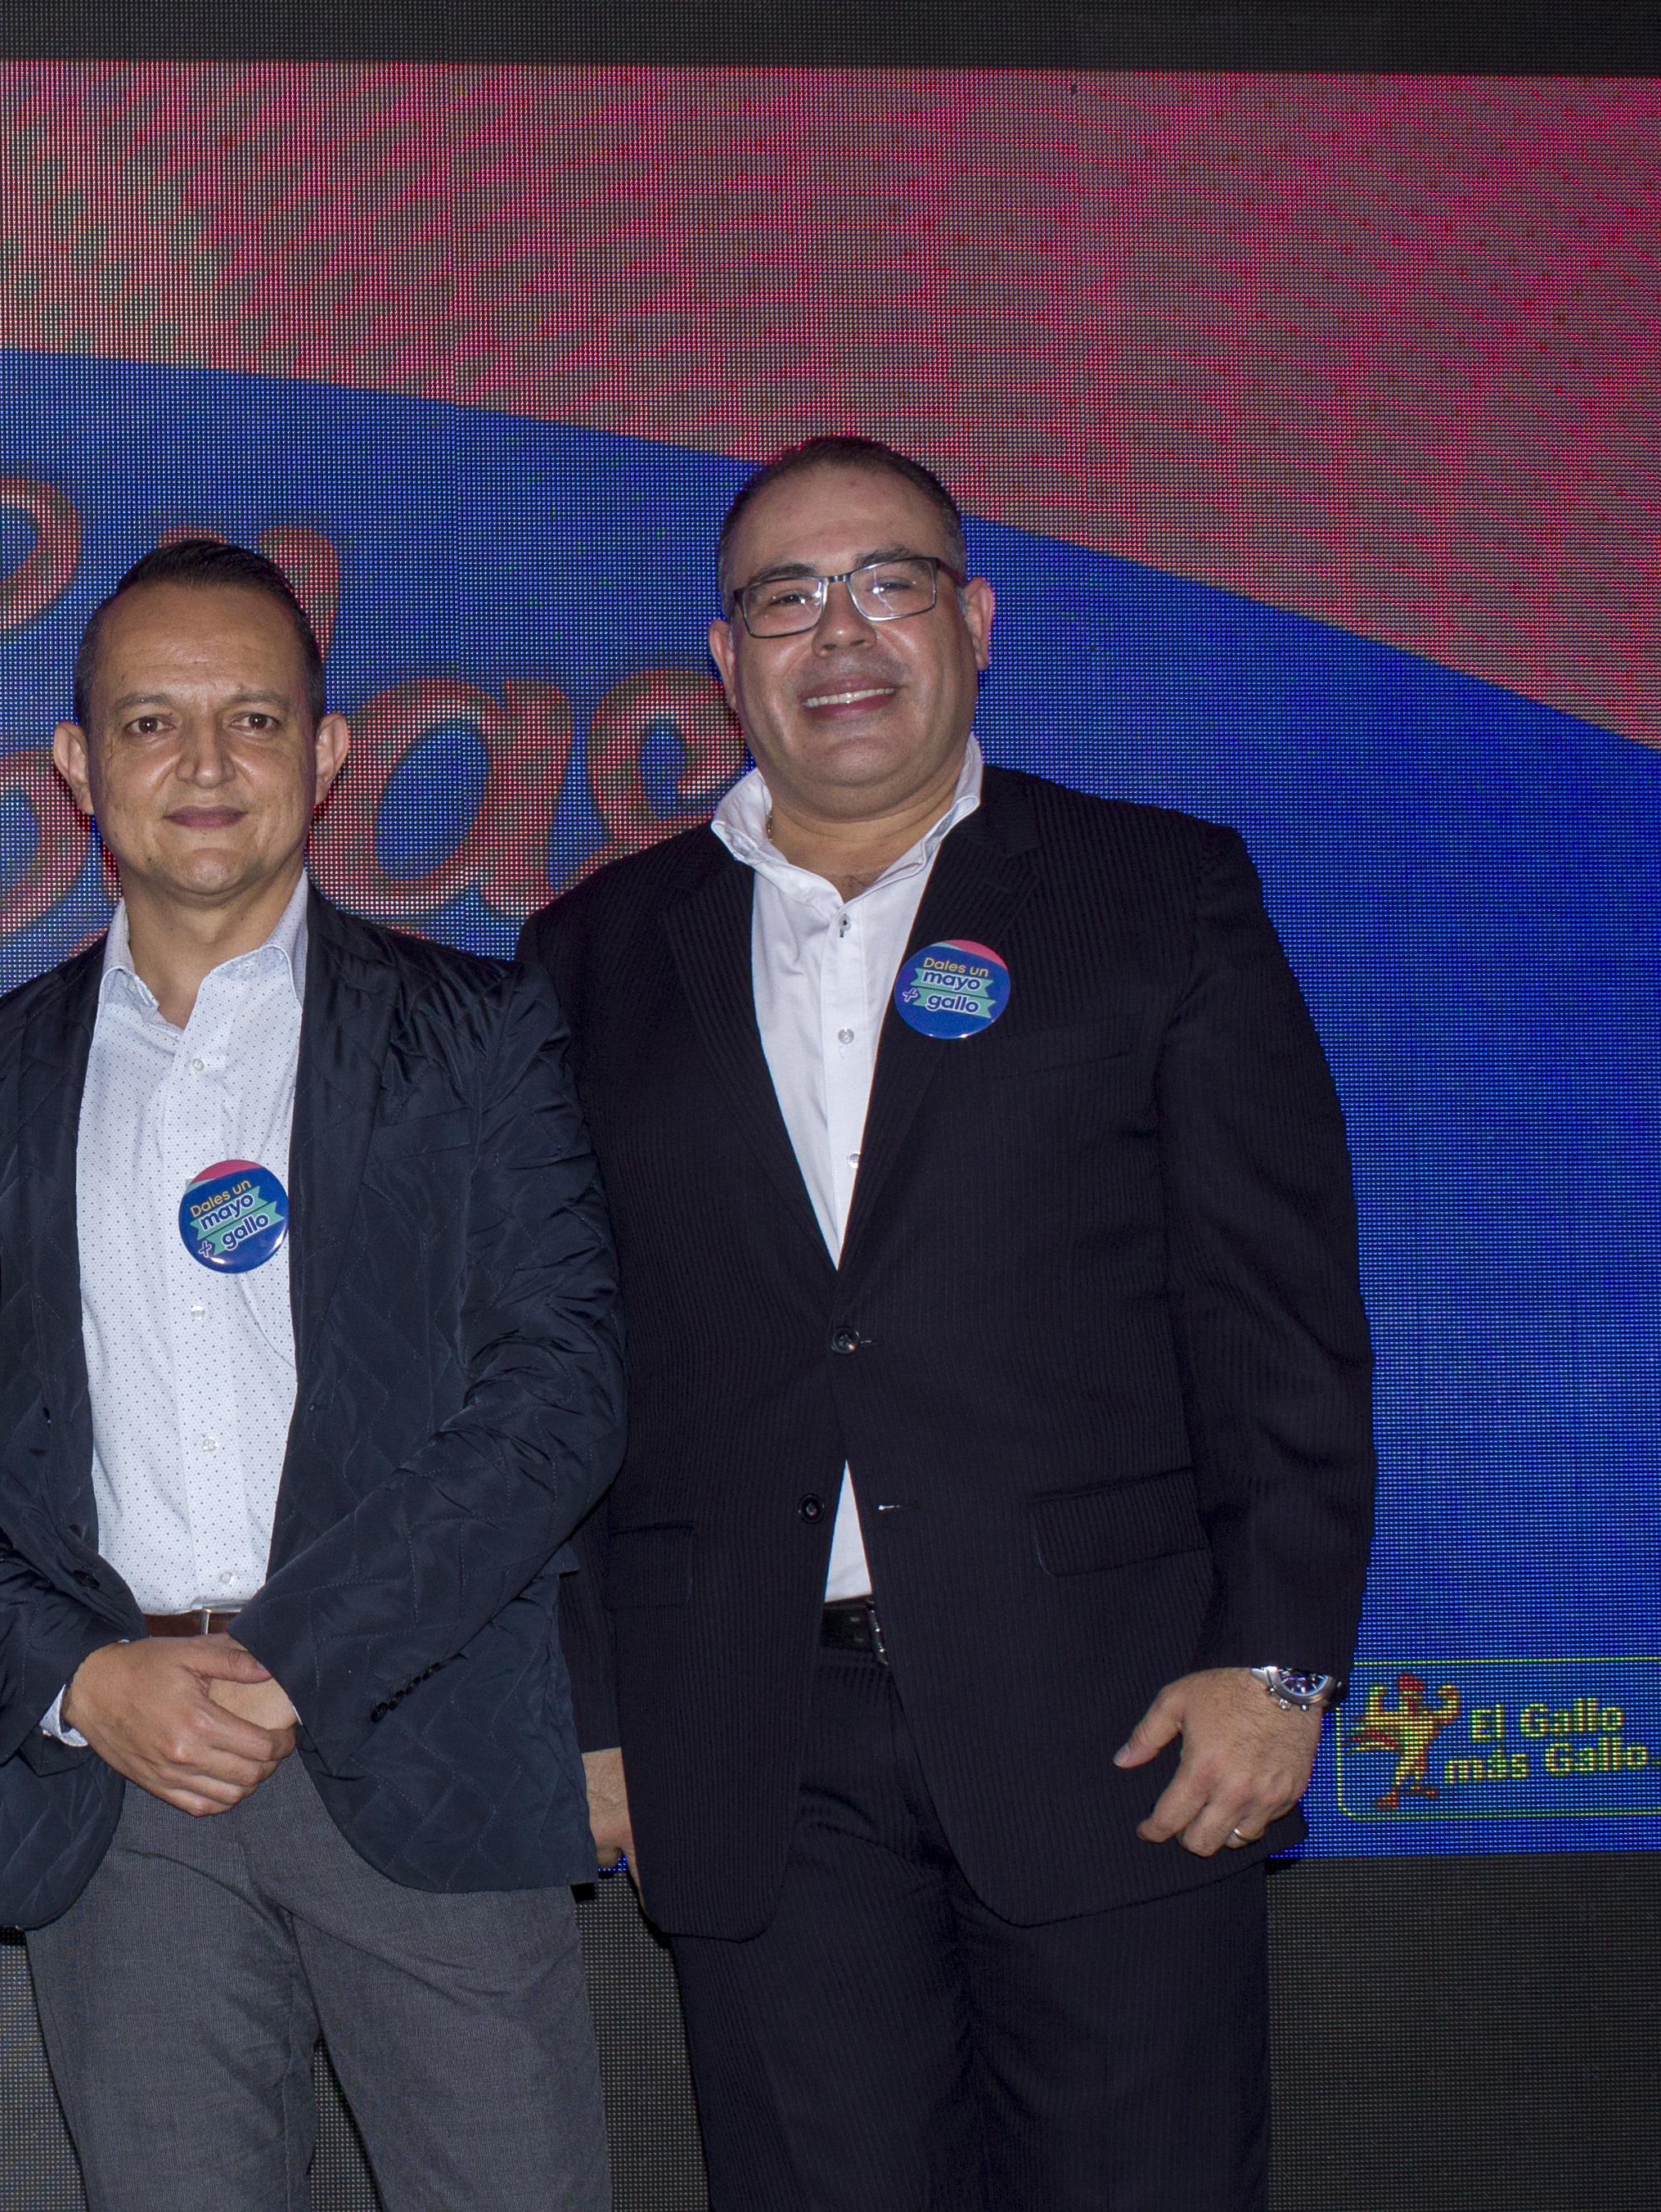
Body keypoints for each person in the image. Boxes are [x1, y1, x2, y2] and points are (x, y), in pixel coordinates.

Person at [524, 435, 1375, 2209]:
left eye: (886, 581)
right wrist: (587, 1708)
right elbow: (554, 1362)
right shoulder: (590, 957)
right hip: (749, 1747)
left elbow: (1276, 1312)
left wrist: (1279, 1659)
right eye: (785, 596)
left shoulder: (1156, 894)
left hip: (1122, 1726)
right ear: (727, 653)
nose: (837, 631)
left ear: (970, 619)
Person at [0, 540, 623, 2211]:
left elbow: (560, 1387)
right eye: (151, 723)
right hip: (120, 1782)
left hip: (418, 1735)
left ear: (325, 752)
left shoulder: (474, 1035)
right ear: (80, 768)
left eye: (251, 716)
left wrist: (295, 1658)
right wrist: (86, 1680)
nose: (206, 763)